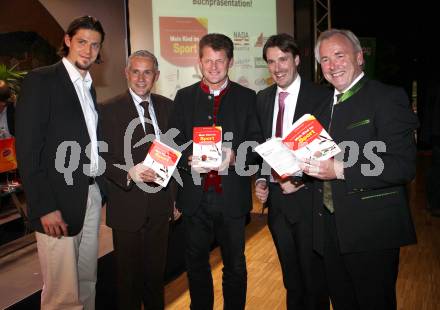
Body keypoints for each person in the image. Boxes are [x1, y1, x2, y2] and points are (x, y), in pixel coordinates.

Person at [301, 28, 418, 309]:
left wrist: (340, 169)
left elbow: (402, 166)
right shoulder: (319, 105)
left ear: (359, 57)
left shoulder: (387, 98)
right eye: (325, 60)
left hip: (372, 231)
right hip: (328, 229)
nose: (332, 65)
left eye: (339, 56)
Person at [15, 16, 106, 310]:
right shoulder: (41, 80)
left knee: (87, 283)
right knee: (62, 296)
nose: (88, 50)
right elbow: (28, 150)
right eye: (82, 42)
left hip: (90, 197)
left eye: (95, 45)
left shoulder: (88, 86)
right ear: (67, 41)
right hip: (57, 204)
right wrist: (43, 206)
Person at [169, 33, 261, 310]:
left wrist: (235, 156)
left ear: (230, 62)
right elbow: (173, 141)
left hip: (231, 198)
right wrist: (187, 159)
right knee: (195, 265)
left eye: (219, 61)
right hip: (195, 199)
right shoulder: (184, 97)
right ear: (199, 62)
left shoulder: (247, 97)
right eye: (207, 60)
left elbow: (257, 143)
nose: (213, 67)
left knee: (234, 266)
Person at [254, 33, 330, 309]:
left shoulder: (321, 96)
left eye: (283, 59)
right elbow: (262, 145)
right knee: (291, 280)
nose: (278, 68)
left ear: (296, 60)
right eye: (271, 62)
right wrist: (262, 179)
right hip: (277, 204)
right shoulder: (262, 98)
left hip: (311, 201)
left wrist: (299, 178)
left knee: (315, 281)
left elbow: (328, 150)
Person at [100, 50, 176, 310]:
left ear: (156, 75)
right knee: (128, 282)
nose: (141, 78)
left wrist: (174, 199)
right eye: (136, 71)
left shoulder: (168, 106)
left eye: (147, 72)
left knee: (156, 278)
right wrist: (127, 173)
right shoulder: (107, 109)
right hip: (126, 207)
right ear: (126, 73)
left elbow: (174, 154)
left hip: (160, 208)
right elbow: (99, 157)